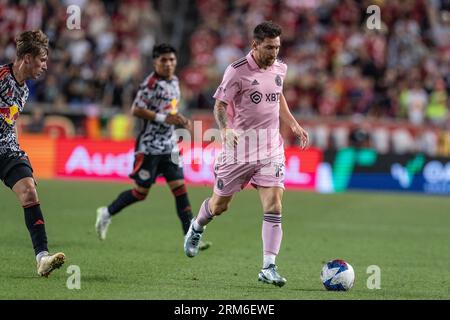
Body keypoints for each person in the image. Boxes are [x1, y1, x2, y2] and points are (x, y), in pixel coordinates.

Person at [183, 22, 309, 287]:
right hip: (239, 150)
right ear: (255, 45)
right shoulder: (236, 71)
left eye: (277, 47)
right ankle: (196, 227)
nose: (274, 52)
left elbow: (277, 95)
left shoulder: (279, 68)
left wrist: (293, 124)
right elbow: (220, 105)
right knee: (219, 206)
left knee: (274, 204)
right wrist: (225, 129)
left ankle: (268, 266)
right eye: (269, 47)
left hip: (271, 148)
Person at [96, 44, 211, 251]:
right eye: (164, 60)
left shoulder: (175, 82)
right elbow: (136, 109)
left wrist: (178, 119)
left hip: (169, 146)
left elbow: (170, 109)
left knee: (180, 189)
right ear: (155, 62)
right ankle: (106, 212)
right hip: (149, 147)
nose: (168, 64)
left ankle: (189, 236)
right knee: (140, 193)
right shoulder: (150, 84)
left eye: (172, 60)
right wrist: (164, 118)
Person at [0, 30, 65, 277]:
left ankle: (42, 258)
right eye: (42, 60)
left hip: (6, 150)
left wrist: (15, 147)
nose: (45, 66)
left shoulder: (24, 90)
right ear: (27, 58)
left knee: (29, 191)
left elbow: (10, 120)